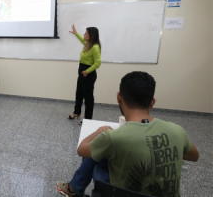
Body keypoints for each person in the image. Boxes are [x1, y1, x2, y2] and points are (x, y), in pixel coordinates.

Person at [56, 71, 199, 197]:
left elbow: (81, 149)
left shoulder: (113, 138)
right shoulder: (177, 131)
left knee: (97, 158)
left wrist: (99, 132)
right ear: (153, 102)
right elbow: (194, 156)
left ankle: (74, 188)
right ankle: (73, 188)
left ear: (119, 98)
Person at [68, 25, 101, 125]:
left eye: (86, 33)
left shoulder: (95, 47)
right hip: (82, 72)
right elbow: (82, 40)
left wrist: (87, 71)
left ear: (91, 35)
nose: (84, 34)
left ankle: (87, 120)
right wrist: (76, 33)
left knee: (88, 98)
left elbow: (98, 63)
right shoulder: (88, 44)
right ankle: (76, 112)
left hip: (88, 74)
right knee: (79, 94)